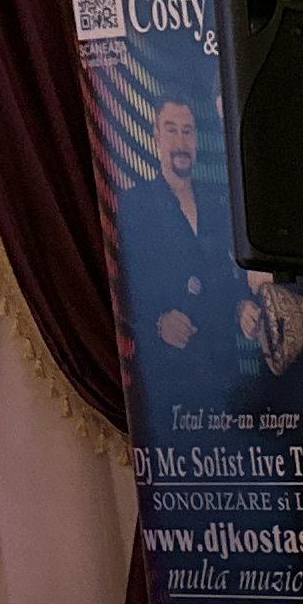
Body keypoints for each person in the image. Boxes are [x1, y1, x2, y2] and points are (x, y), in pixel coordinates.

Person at [116, 98, 254, 435]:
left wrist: (243, 306)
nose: (180, 142)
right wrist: (157, 322)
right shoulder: (133, 207)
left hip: (227, 378)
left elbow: (230, 276)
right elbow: (123, 289)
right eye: (171, 130)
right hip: (169, 385)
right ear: (156, 138)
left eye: (188, 132)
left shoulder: (219, 202)